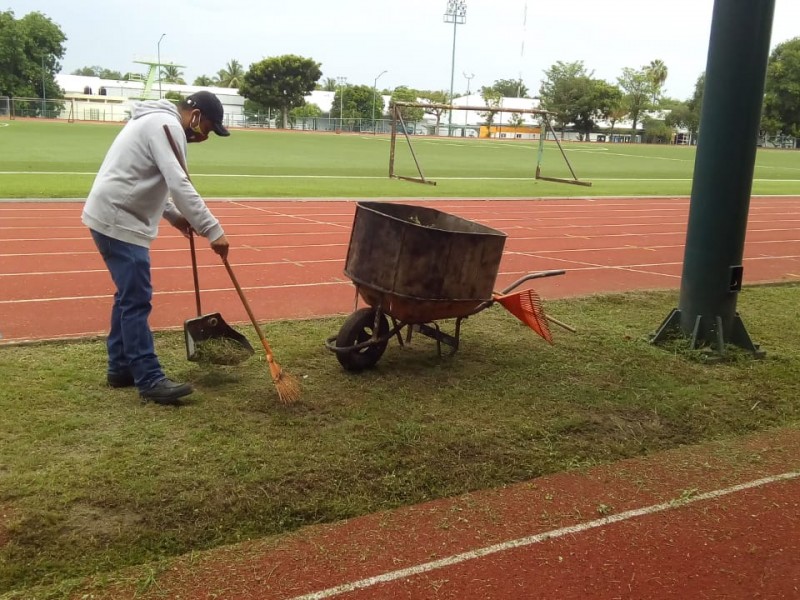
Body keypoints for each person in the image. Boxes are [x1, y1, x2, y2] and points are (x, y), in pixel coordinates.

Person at [82, 91, 231, 405]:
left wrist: (175, 217)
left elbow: (148, 177)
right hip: (118, 220)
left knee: (127, 296)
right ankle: (149, 378)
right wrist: (212, 229)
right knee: (136, 299)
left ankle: (120, 367)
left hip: (112, 215)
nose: (203, 137)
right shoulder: (166, 125)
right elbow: (179, 182)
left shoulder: (155, 121)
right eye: (207, 129)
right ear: (195, 116)